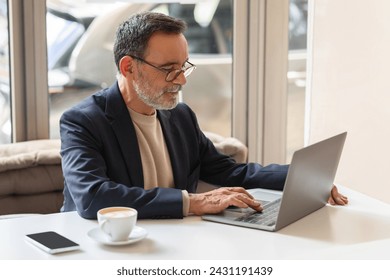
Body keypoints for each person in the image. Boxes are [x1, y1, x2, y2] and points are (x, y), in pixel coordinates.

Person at [60, 12, 348, 220]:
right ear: (128, 68)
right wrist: (192, 202)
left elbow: (229, 172)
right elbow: (93, 197)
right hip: (102, 249)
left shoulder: (180, 116)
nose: (181, 80)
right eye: (169, 69)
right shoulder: (82, 122)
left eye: (184, 67)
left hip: (175, 242)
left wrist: (300, 177)